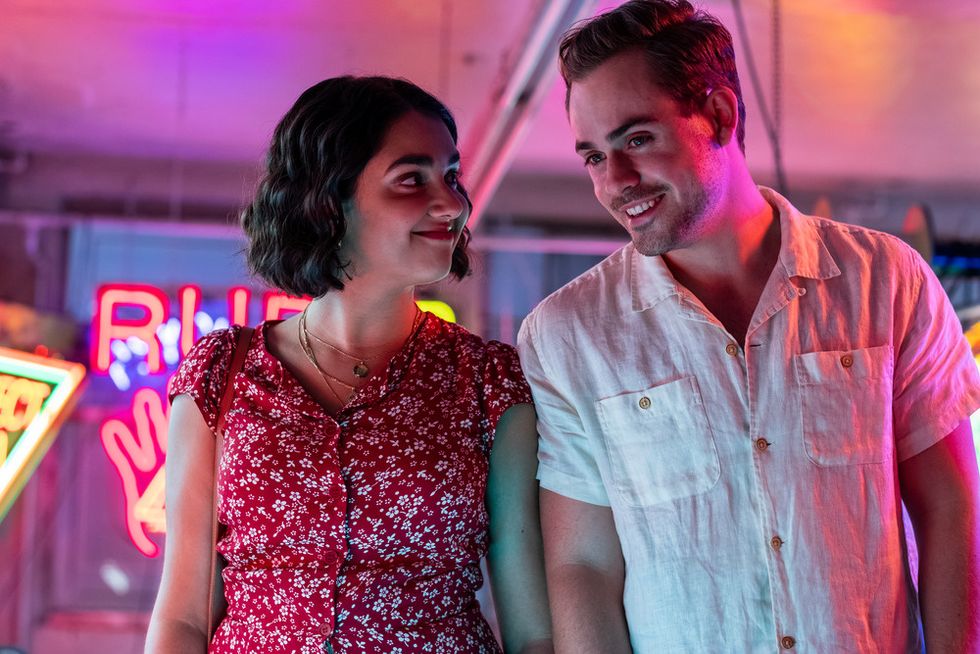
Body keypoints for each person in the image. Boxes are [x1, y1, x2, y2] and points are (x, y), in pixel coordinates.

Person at [516, 1, 980, 652]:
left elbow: (950, 509)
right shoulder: (567, 333)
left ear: (718, 115)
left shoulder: (886, 279)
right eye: (594, 156)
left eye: (637, 140)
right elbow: (583, 566)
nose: (615, 181)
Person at [145, 76, 552, 654]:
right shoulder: (223, 372)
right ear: (329, 198)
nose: (453, 203)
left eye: (452, 176)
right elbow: (184, 615)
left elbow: (532, 628)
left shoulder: (488, 381)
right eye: (412, 179)